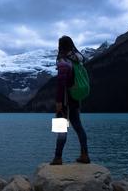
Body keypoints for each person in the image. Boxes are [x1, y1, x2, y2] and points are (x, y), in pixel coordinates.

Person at [50, 35, 90, 165]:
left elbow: (61, 84)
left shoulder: (63, 62)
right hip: (75, 99)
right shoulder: (77, 60)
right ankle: (85, 155)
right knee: (78, 127)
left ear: (60, 46)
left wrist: (58, 102)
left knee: (61, 129)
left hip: (65, 100)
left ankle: (58, 157)